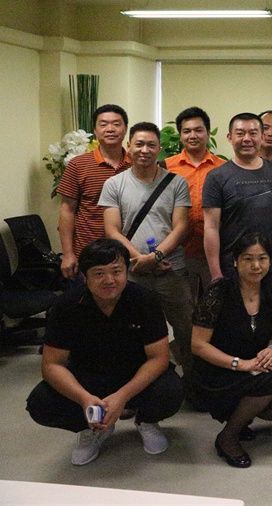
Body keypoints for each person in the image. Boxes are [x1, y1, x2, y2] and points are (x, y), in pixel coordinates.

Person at [26, 239, 183, 466]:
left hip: (134, 375)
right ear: (85, 276)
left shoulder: (145, 300)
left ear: (126, 271)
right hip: (88, 378)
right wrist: (83, 398)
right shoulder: (66, 306)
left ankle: (146, 421)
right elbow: (52, 365)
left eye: (116, 271)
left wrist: (123, 396)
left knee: (171, 390)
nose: (109, 280)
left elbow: (159, 358)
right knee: (41, 402)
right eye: (99, 273)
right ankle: (93, 428)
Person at [191, 233, 272, 468]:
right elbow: (198, 345)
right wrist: (240, 364)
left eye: (262, 258)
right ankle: (228, 436)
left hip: (252, 369)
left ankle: (240, 421)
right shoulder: (219, 291)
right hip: (218, 372)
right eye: (248, 259)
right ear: (235, 261)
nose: (256, 265)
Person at [101, 122, 193, 376]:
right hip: (132, 271)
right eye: (139, 144)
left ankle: (194, 385)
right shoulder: (114, 184)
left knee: (186, 329)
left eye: (151, 145)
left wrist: (156, 256)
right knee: (131, 330)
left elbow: (181, 226)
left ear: (159, 148)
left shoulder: (176, 183)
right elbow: (112, 230)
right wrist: (139, 259)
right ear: (128, 147)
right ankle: (136, 384)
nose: (145, 150)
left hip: (171, 271)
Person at [202, 113, 272, 288]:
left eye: (253, 133)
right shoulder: (216, 177)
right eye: (240, 133)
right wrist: (215, 273)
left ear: (262, 137)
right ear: (230, 137)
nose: (247, 139)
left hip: (271, 265)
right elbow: (211, 227)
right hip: (232, 266)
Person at [57, 104, 131, 280]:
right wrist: (68, 253)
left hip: (130, 252)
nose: (110, 129)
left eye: (116, 124)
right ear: (95, 131)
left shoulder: (137, 165)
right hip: (89, 253)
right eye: (103, 124)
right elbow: (67, 210)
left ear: (125, 129)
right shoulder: (78, 165)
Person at [165, 106, 225, 303]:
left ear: (208, 133)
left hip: (215, 250)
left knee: (215, 304)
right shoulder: (166, 167)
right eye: (187, 131)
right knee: (183, 307)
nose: (193, 135)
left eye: (198, 130)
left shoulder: (223, 167)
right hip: (179, 250)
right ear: (180, 135)